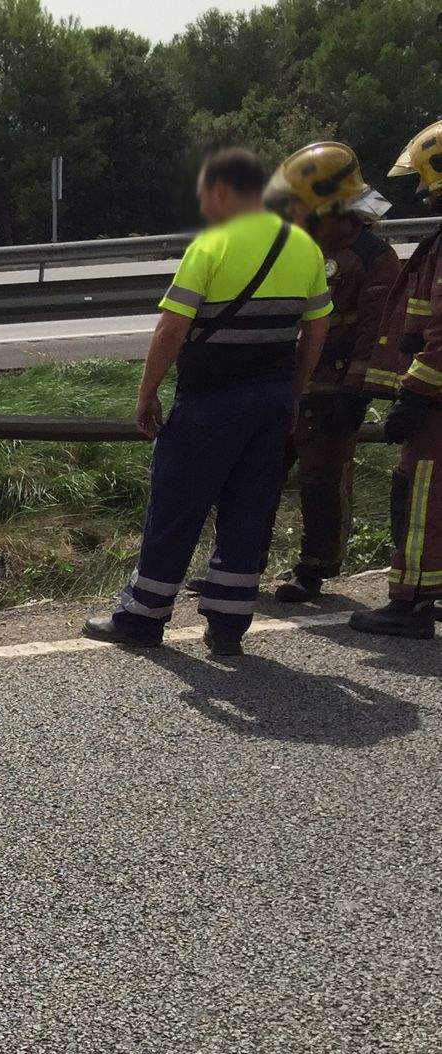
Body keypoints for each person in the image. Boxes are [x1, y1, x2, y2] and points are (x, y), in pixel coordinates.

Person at [86, 148, 331, 655]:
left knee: (177, 506)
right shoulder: (303, 247)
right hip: (270, 403)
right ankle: (227, 625)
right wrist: (293, 391)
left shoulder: (212, 245)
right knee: (248, 508)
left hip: (211, 401)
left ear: (224, 192)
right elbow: (317, 328)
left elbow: (172, 326)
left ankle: (143, 616)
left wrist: (146, 392)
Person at [261, 143, 399, 603]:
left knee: (321, 481)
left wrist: (356, 391)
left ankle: (314, 570)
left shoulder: (375, 257)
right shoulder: (297, 246)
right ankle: (242, 561)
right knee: (257, 475)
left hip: (334, 387)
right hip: (287, 383)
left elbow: (378, 328)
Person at [351, 119, 442, 640]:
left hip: (436, 409)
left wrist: (413, 394)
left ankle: (408, 605)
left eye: (423, 182)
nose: (420, 195)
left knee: (420, 494)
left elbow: (440, 337)